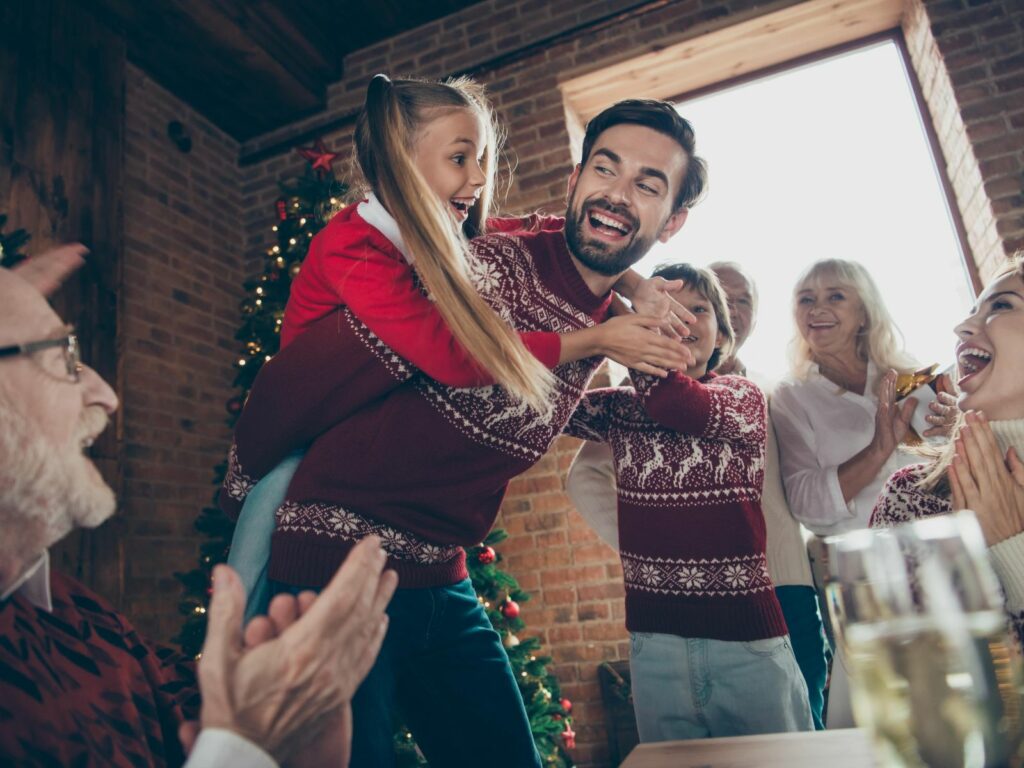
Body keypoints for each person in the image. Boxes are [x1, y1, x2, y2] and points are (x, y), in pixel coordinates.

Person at [221, 98, 707, 767]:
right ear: (575, 180)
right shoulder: (484, 267)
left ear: (673, 220)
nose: (618, 195)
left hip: (441, 579)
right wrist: (247, 479)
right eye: (605, 168)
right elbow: (306, 378)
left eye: (647, 186)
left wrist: (634, 296)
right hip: (335, 562)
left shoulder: (612, 324)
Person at [0, 247, 397, 767]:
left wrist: (284, 731)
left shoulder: (79, 616)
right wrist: (244, 748)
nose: (104, 395)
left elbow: (201, 711)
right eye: (63, 358)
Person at [567, 260, 830, 730]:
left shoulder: (742, 397)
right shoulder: (621, 408)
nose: (680, 319)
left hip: (748, 640)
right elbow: (552, 404)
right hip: (654, 643)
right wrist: (595, 331)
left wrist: (628, 329)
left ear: (724, 338)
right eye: (665, 307)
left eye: (698, 310)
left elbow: (677, 403)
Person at [770, 258, 923, 728]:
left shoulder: (914, 379)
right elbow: (808, 505)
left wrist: (949, 433)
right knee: (883, 722)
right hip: (863, 577)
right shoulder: (791, 397)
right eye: (806, 298)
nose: (818, 308)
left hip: (938, 563)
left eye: (835, 296)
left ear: (864, 312)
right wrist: (879, 448)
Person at [871, 255, 1024, 649]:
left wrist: (1011, 549)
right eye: (973, 309)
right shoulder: (909, 497)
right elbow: (894, 668)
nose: (961, 326)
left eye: (1002, 305)